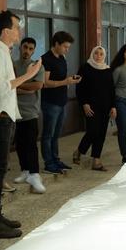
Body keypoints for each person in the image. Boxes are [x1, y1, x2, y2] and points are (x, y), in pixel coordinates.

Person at [0, 11, 42, 239]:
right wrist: (29, 75)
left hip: (4, 115)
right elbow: (1, 87)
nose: (19, 31)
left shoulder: (2, 51)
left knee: (0, 168)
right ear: (6, 31)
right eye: (17, 27)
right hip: (0, 116)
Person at [41, 31, 81, 174]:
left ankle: (56, 160)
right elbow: (45, 83)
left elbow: (61, 78)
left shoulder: (62, 58)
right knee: (48, 134)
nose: (67, 50)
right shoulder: (46, 59)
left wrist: (71, 79)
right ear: (56, 44)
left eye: (68, 47)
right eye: (65, 47)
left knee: (56, 134)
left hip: (61, 101)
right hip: (50, 102)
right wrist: (65, 82)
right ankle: (48, 163)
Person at [73, 46, 116, 171]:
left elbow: (111, 90)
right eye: (96, 53)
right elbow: (79, 88)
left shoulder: (108, 70)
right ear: (92, 54)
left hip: (105, 106)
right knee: (93, 131)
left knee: (101, 133)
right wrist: (84, 103)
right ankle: (79, 151)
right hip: (90, 106)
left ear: (104, 56)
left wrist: (113, 106)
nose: (98, 56)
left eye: (101, 54)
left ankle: (96, 160)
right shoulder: (85, 68)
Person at [12, 37, 46, 194]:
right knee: (19, 144)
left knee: (31, 144)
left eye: (31, 48)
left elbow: (38, 85)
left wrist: (17, 86)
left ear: (34, 51)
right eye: (25, 47)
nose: (27, 51)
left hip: (31, 111)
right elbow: (8, 85)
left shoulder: (37, 66)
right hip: (15, 110)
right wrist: (25, 88)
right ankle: (25, 171)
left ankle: (34, 174)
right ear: (20, 47)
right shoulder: (13, 64)